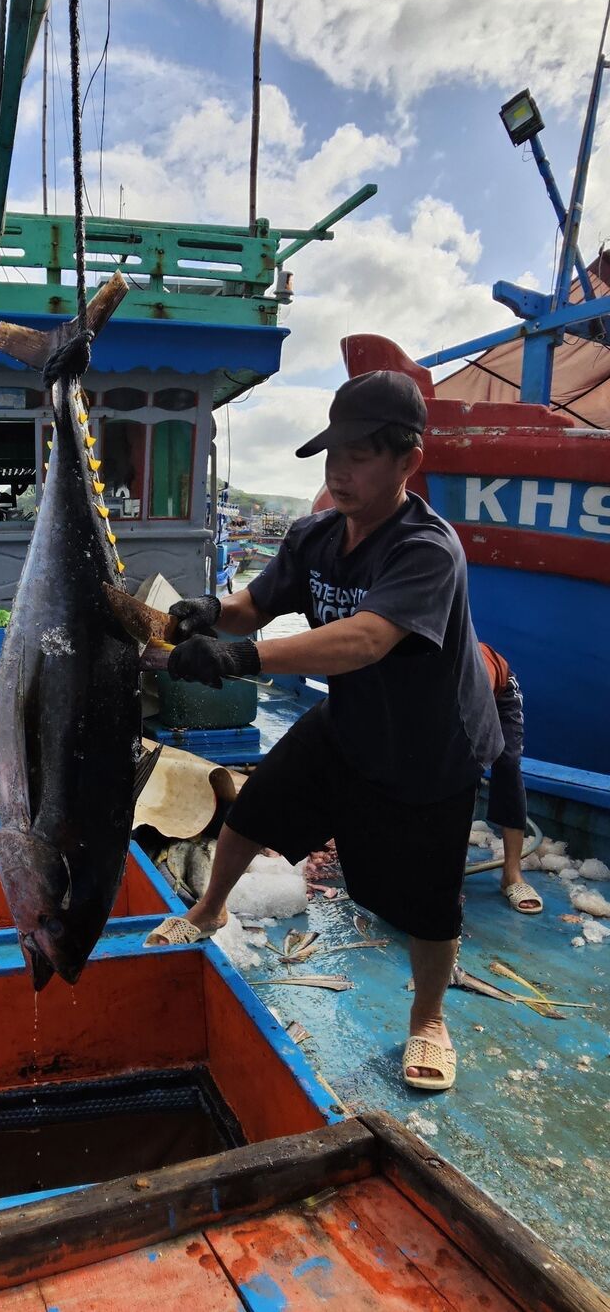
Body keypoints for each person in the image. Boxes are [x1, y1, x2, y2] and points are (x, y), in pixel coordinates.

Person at [145, 370, 504, 1093]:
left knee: (430, 904)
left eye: (360, 456)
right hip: (351, 720)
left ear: (408, 461)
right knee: (253, 809)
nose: (339, 471)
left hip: (434, 745)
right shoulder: (314, 535)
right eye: (333, 454)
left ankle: (429, 1019)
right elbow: (256, 603)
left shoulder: (426, 548)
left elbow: (365, 639)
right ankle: (209, 910)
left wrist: (241, 657)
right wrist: (209, 612)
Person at [478, 643, 540, 913]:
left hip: (497, 694)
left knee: (507, 764)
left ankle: (512, 874)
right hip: (447, 702)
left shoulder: (474, 674)